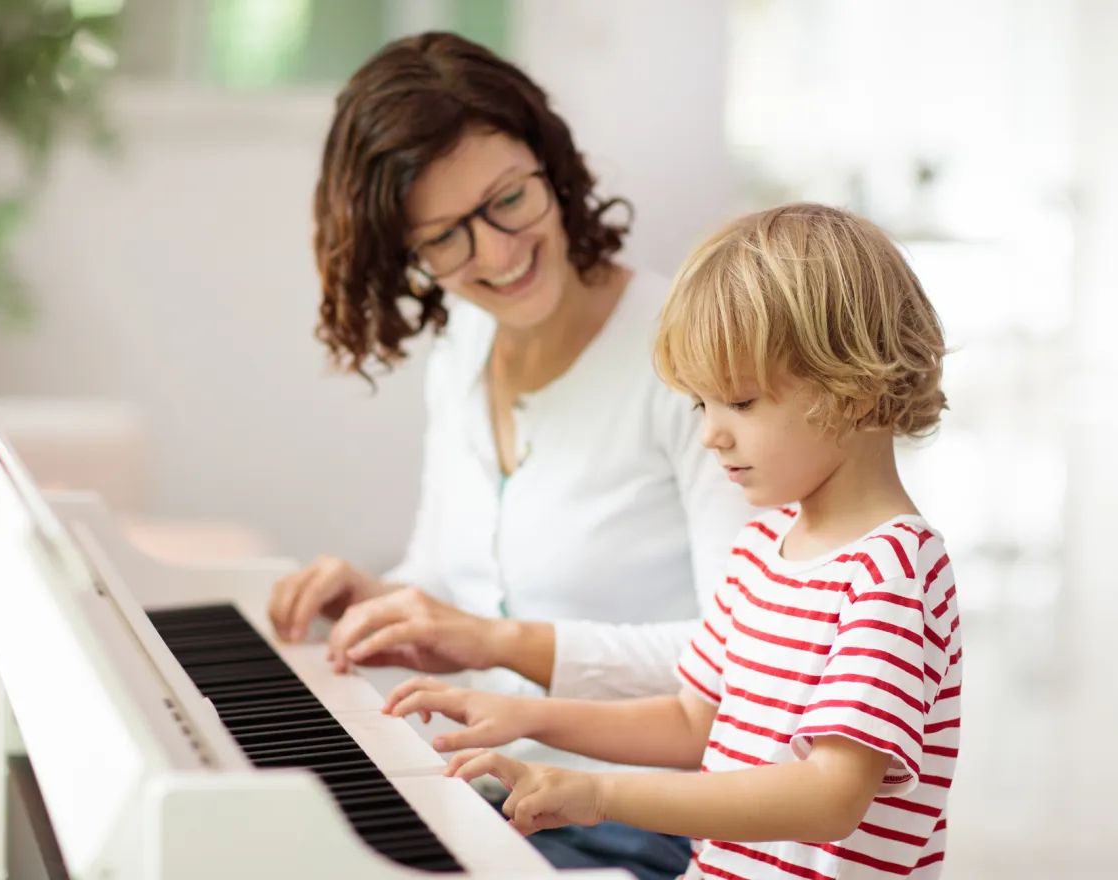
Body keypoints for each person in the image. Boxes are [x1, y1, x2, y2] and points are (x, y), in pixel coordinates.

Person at [264, 31, 758, 880]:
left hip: (653, 818)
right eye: (446, 237)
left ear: (551, 164)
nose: (495, 253)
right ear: (407, 257)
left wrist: (497, 639)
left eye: (508, 200)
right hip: (500, 798)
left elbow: (751, 657)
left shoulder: (691, 353)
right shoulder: (463, 345)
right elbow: (462, 584)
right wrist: (385, 599)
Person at [383, 203, 963, 879]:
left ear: (856, 392)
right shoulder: (763, 548)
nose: (711, 434)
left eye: (739, 403)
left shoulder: (891, 570)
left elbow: (829, 797)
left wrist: (601, 793)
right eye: (700, 404)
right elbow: (694, 722)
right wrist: (527, 715)